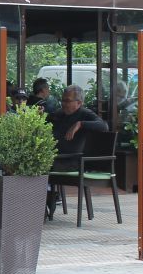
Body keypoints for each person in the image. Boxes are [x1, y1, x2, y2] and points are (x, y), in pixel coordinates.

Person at [45, 85, 108, 219]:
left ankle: (47, 200)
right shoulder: (60, 114)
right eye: (62, 100)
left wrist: (80, 124)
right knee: (32, 164)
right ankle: (45, 199)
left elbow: (103, 126)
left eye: (67, 101)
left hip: (73, 161)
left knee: (40, 167)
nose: (63, 104)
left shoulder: (85, 113)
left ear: (79, 103)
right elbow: (46, 121)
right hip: (56, 158)